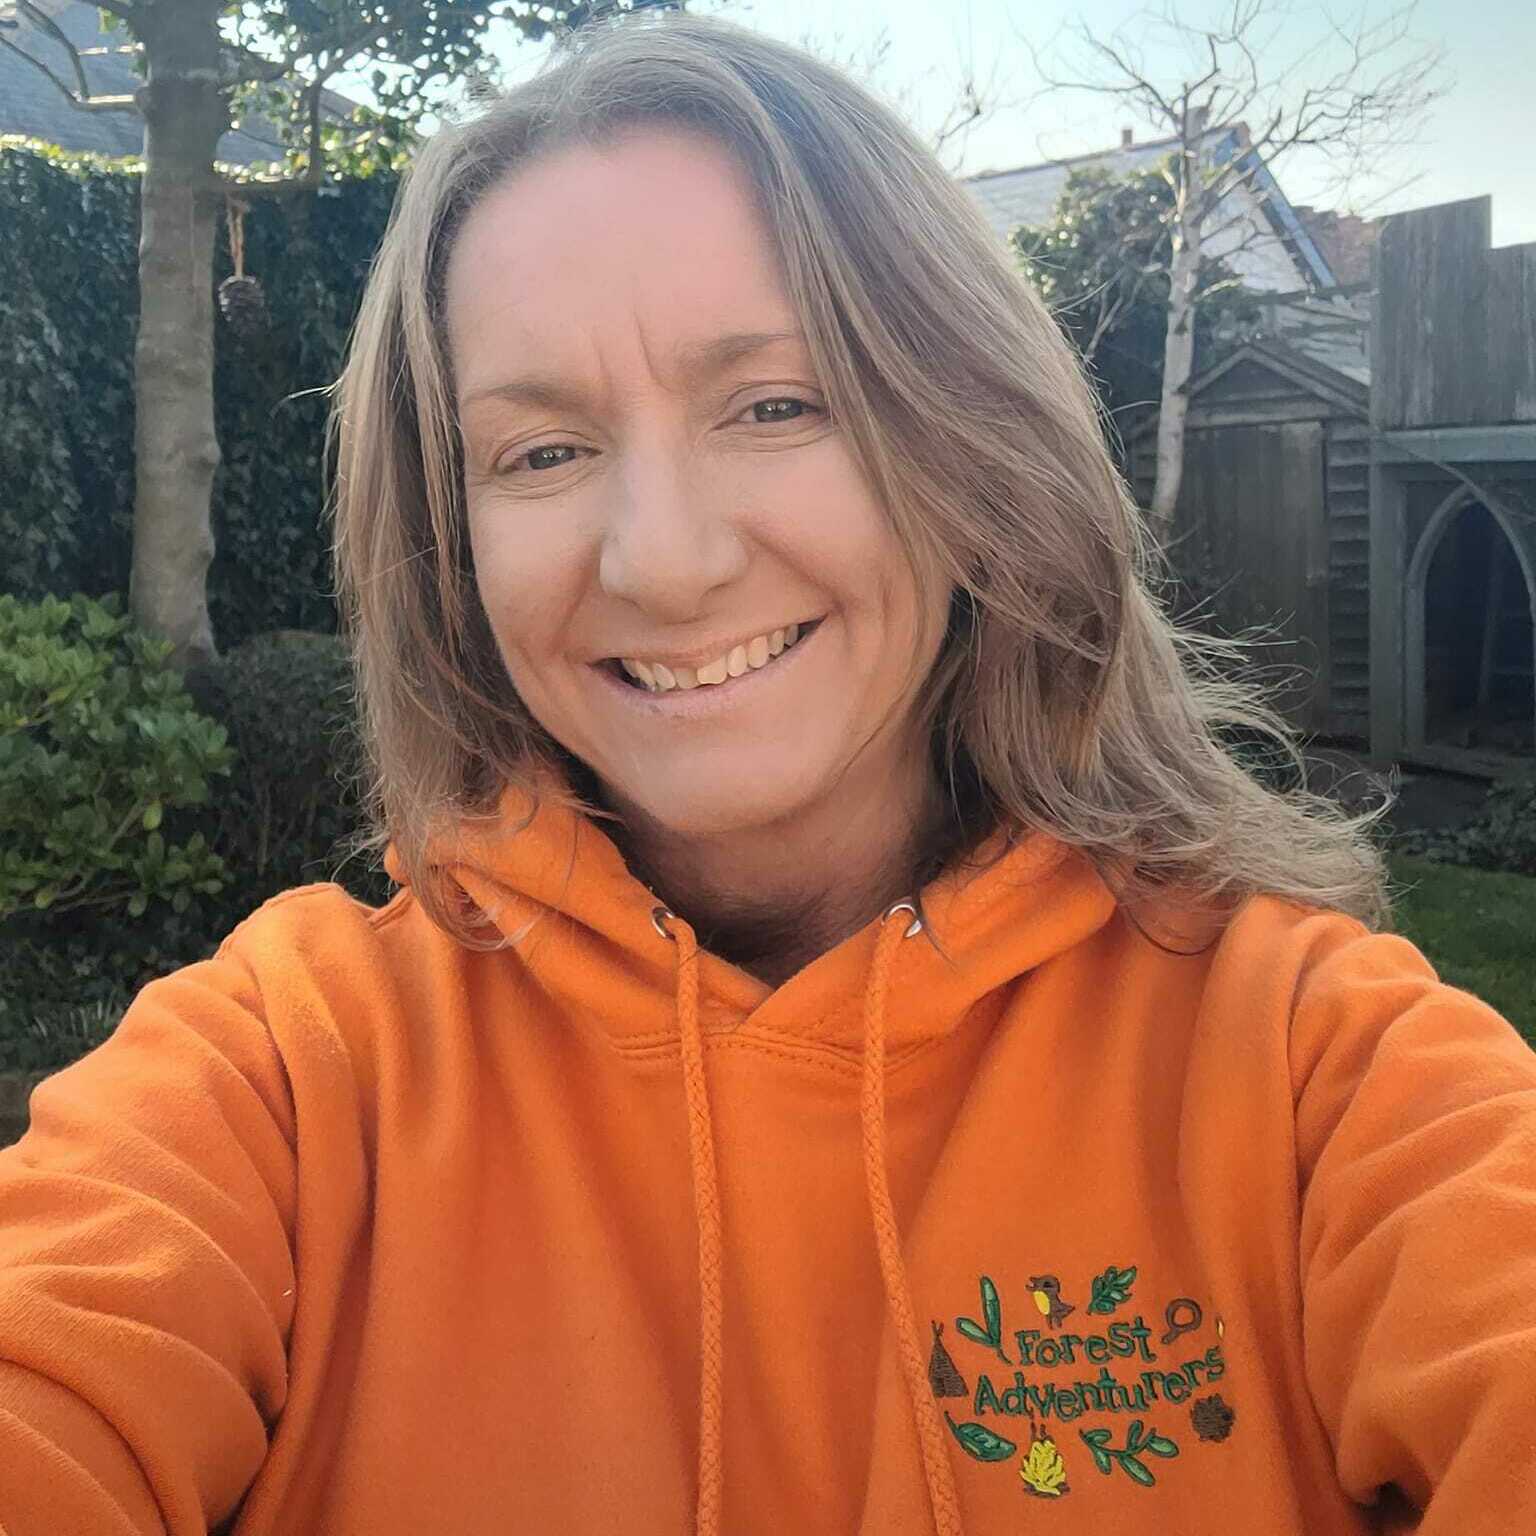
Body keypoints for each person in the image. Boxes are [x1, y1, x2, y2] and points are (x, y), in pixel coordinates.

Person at [2, 11, 1533, 1534]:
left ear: (971, 447)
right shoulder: (287, 1075)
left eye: (778, 406)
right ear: (448, 544)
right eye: (542, 452)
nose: (663, 563)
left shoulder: (1313, 1071)